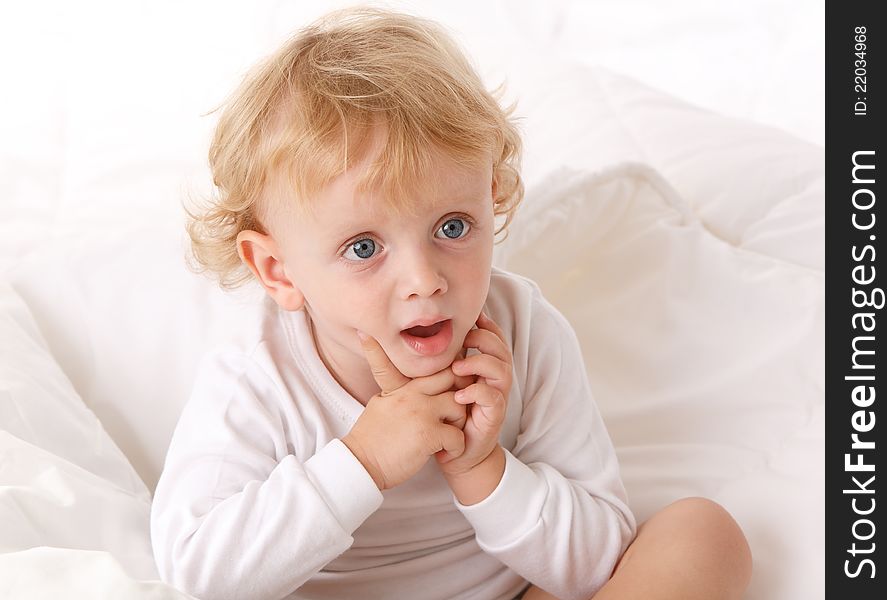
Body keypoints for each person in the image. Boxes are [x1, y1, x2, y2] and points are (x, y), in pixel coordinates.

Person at [150, 7, 752, 600]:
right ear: (279, 271)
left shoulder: (524, 332)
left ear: (491, 198)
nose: (425, 279)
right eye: (364, 247)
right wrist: (364, 461)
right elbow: (198, 571)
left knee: (702, 534)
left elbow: (597, 562)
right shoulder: (256, 380)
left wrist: (481, 469)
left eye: (453, 227)